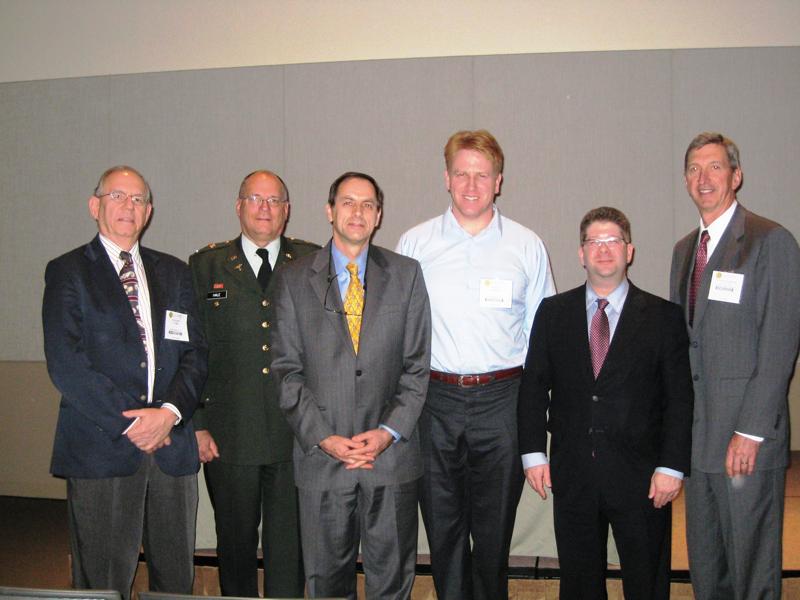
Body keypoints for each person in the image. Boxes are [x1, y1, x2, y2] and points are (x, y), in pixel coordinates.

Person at [396, 129, 555, 599]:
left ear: (498, 181)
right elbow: (398, 330)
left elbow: (541, 338)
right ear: (446, 178)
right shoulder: (415, 244)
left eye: (482, 175)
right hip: (434, 400)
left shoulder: (526, 246)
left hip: (502, 401)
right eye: (461, 173)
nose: (471, 184)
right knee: (442, 532)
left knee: (494, 534)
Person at [42, 166, 208, 600]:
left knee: (175, 583)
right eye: (117, 196)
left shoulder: (175, 272)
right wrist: (135, 424)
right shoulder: (68, 271)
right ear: (94, 205)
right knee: (103, 582)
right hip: (103, 447)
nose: (128, 206)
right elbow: (66, 364)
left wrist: (168, 415)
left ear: (148, 212)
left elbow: (195, 353)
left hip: (172, 446)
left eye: (138, 199)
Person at [271, 172, 431, 600]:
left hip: (390, 460)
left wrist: (386, 433)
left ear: (378, 216)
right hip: (323, 460)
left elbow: (417, 367)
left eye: (367, 205)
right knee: (326, 585)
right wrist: (324, 438)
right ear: (330, 211)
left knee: (391, 585)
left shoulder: (406, 275)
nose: (357, 212)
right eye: (347, 202)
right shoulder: (293, 279)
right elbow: (286, 371)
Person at [519, 206, 693, 599]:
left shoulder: (663, 317)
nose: (603, 249)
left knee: (646, 580)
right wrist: (533, 454)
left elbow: (679, 399)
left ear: (629, 251)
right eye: (593, 241)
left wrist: (672, 466)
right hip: (574, 472)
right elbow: (533, 387)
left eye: (613, 240)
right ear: (581, 253)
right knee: (579, 582)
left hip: (643, 476)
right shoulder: (553, 313)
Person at [670, 132, 800, 599]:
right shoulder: (685, 250)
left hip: (746, 439)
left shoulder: (770, 241)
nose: (703, 178)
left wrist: (751, 430)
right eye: (694, 169)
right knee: (708, 567)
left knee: (752, 570)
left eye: (715, 167)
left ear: (736, 175)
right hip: (700, 439)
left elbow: (780, 344)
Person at [189, 170, 317, 597]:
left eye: (274, 200)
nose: (265, 208)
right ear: (239, 206)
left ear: (287, 210)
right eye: (255, 199)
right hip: (229, 437)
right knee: (235, 547)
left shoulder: (312, 261)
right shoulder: (205, 266)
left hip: (293, 435)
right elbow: (192, 350)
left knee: (290, 551)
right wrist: (198, 423)